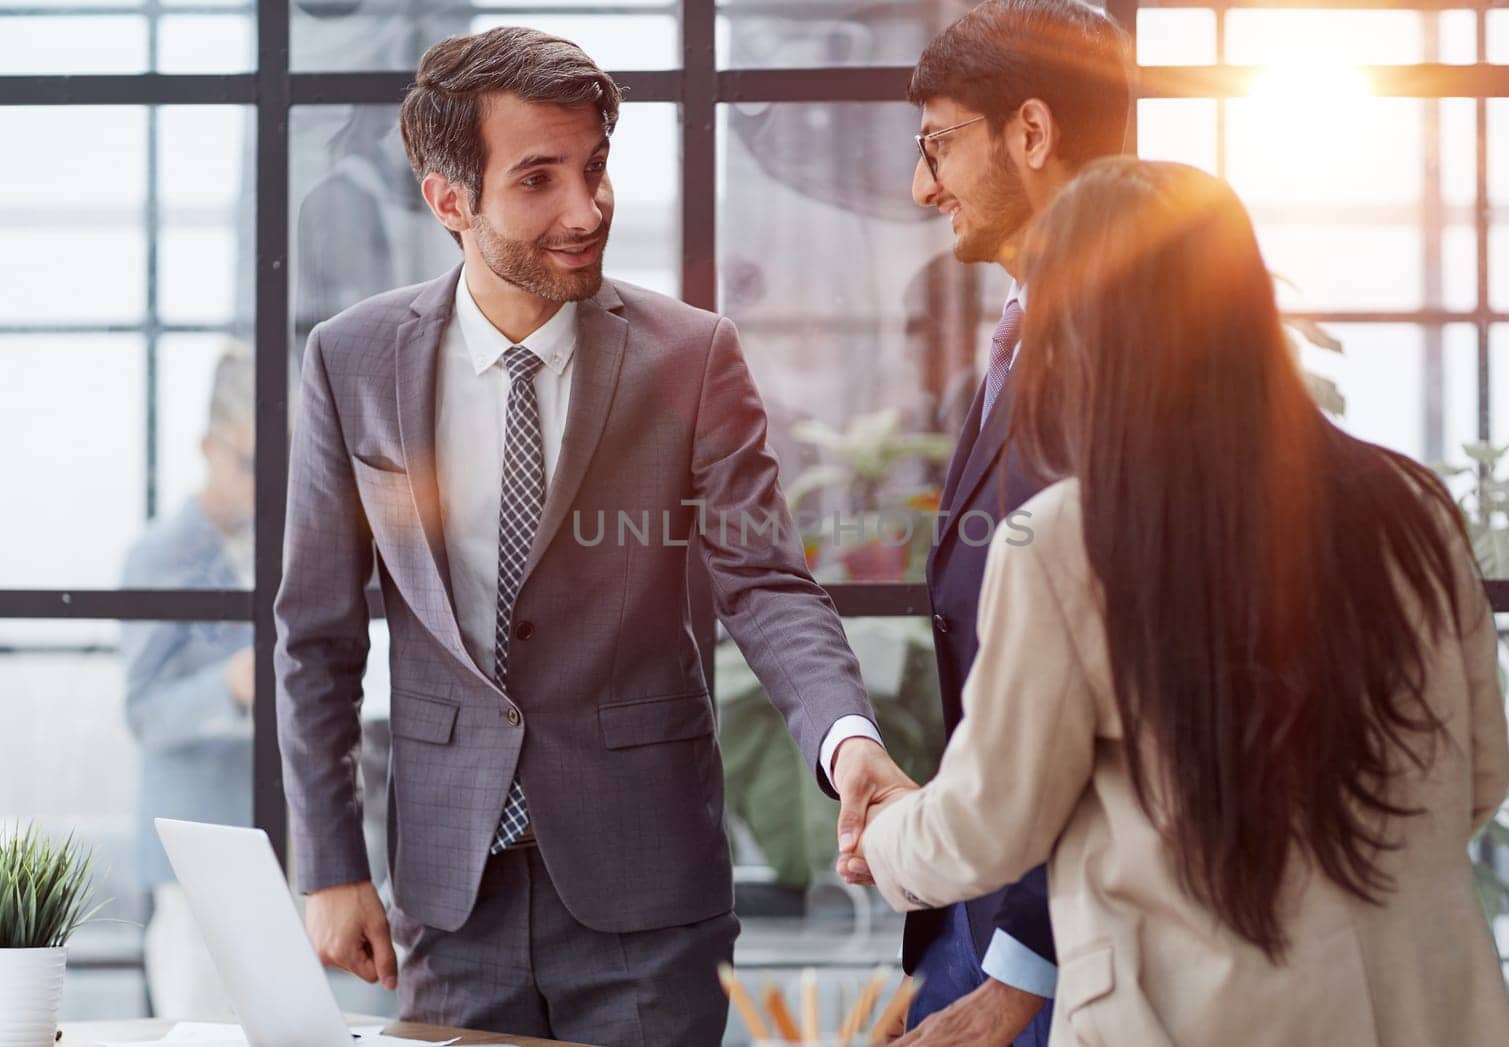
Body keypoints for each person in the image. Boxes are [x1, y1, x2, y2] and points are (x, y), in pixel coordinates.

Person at [273, 27, 913, 1045]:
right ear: (451, 201)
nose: (586, 209)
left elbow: (765, 586)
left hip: (647, 896)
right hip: (450, 894)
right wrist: (331, 864)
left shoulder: (691, 356)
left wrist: (848, 742)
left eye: (596, 167)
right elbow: (316, 639)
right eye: (537, 179)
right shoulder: (350, 363)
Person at [857, 159, 1509, 1046]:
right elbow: (1479, 775)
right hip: (1429, 1013)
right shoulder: (1412, 506)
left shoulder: (1069, 539)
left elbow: (989, 822)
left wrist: (887, 833)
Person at [835, 2, 1133, 1043]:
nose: (923, 188)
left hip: (1065, 943)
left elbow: (1123, 697)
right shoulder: (1029, 328)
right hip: (995, 899)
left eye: (938, 145)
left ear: (1033, 132)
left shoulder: (1121, 346)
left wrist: (1017, 978)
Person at [120, 347, 255, 1018]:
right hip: (194, 859)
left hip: (279, 851)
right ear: (208, 446)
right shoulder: (160, 556)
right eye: (251, 463)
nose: (265, 483)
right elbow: (144, 712)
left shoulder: (284, 541)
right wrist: (230, 686)